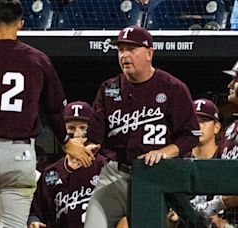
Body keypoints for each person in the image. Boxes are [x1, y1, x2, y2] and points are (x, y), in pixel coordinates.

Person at [0, 0, 95, 227]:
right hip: (21, 154)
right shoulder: (38, 58)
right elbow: (55, 109)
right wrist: (66, 143)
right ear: (21, 24)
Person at [82, 25, 200, 228]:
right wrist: (89, 146)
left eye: (131, 49)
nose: (124, 55)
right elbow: (95, 135)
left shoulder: (173, 88)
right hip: (115, 174)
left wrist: (165, 151)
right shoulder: (108, 88)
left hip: (153, 175)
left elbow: (190, 135)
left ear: (149, 53)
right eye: (120, 50)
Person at [28, 101, 107, 228]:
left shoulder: (105, 167)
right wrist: (34, 222)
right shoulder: (50, 174)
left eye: (83, 128)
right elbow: (36, 211)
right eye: (71, 128)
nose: (77, 134)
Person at [193, 60, 238, 226]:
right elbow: (217, 179)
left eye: (236, 79)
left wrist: (215, 204)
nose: (230, 85)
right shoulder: (231, 128)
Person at [168, 98, 223, 227]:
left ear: (216, 127)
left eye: (203, 121)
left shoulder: (225, 157)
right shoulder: (178, 160)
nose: (198, 125)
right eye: (193, 120)